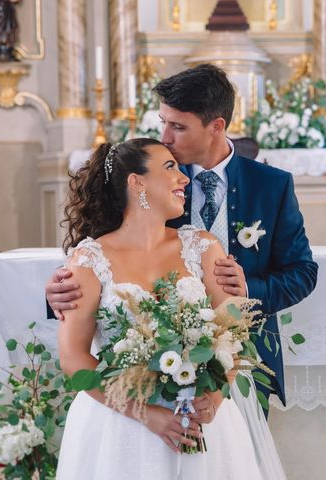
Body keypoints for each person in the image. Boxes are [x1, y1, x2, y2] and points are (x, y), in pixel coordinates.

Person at [48, 64, 317, 477]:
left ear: (216, 126)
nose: (166, 137)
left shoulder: (269, 188)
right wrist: (59, 296)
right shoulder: (143, 191)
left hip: (226, 382)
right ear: (138, 185)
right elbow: (94, 307)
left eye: (177, 126)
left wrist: (244, 298)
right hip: (124, 416)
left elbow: (300, 273)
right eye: (163, 124)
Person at [56, 138, 264, 479]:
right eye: (170, 168)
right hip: (120, 426)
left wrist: (214, 396)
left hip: (201, 423)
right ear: (136, 182)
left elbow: (235, 333)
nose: (184, 178)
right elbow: (73, 359)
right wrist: (145, 413)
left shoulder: (204, 247)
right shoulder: (89, 259)